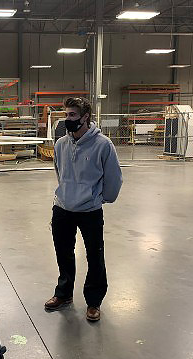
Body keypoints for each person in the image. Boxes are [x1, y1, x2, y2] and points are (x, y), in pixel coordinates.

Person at [45, 97, 122, 321]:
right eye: (66, 115)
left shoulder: (103, 145)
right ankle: (64, 294)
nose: (67, 119)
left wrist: (100, 198)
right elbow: (60, 173)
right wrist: (67, 193)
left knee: (95, 256)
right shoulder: (60, 144)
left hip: (90, 211)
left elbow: (114, 178)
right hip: (62, 208)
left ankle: (94, 302)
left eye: (72, 116)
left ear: (85, 117)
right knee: (63, 254)